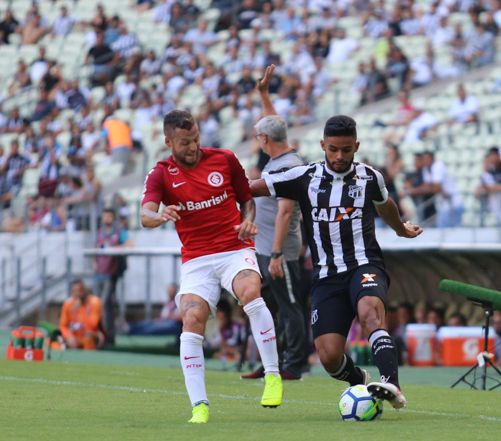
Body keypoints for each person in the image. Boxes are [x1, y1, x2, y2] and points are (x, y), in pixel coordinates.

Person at [250, 115, 423, 410]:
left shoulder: (370, 177)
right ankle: (360, 379)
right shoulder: (303, 177)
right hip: (327, 276)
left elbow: (386, 205)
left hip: (364, 265)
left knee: (371, 315)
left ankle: (392, 384)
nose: (339, 156)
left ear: (356, 146)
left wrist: (400, 229)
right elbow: (250, 188)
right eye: (333, 149)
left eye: (346, 149)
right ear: (322, 146)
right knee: (329, 357)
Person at [141, 110, 283, 423]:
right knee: (191, 318)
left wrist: (247, 222)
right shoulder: (160, 174)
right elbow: (145, 215)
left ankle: (272, 375)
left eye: (196, 139)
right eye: (184, 142)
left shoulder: (225, 159)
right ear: (168, 142)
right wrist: (160, 216)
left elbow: (248, 199)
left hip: (234, 248)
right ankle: (199, 406)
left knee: (250, 292)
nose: (192, 147)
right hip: (197, 258)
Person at [243, 64, 307, 380]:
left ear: (264, 139)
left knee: (291, 306)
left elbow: (285, 212)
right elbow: (274, 125)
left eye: (258, 137)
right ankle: (273, 363)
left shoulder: (288, 167)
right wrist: (264, 93)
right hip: (266, 247)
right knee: (267, 308)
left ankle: (294, 366)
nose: (257, 141)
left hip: (281, 250)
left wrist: (279, 253)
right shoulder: (280, 157)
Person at [94, 207, 132, 345]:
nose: (106, 219)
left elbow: (129, 244)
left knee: (105, 304)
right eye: (104, 216)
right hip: (99, 274)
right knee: (102, 305)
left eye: (109, 216)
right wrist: (95, 263)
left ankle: (108, 336)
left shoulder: (119, 231)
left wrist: (115, 249)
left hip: (111, 273)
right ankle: (101, 335)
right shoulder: (99, 233)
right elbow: (95, 249)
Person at [60, 279, 104, 350]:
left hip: (92, 335)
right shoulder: (67, 304)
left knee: (87, 337)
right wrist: (69, 336)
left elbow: (92, 326)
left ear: (85, 290)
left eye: (80, 290)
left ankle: (90, 358)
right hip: (74, 336)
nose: (77, 293)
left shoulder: (95, 302)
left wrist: (81, 308)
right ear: (71, 292)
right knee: (53, 342)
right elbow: (63, 326)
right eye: (74, 291)